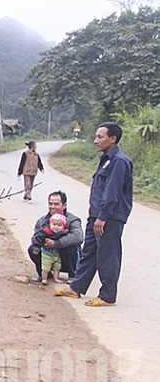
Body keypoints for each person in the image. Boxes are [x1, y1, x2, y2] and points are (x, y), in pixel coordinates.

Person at [56, 122, 133, 307]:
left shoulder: (119, 161)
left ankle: (107, 296)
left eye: (100, 137)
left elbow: (112, 192)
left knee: (108, 255)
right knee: (89, 252)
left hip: (109, 217)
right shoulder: (106, 159)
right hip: (96, 215)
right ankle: (76, 287)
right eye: (96, 136)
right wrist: (96, 216)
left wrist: (103, 217)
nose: (95, 140)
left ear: (112, 139)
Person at [28, 191, 83, 283]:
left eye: (56, 204)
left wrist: (56, 243)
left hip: (66, 258)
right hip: (48, 255)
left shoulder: (72, 220)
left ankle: (73, 275)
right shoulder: (42, 221)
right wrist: (44, 242)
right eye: (50, 204)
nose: (52, 207)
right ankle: (44, 273)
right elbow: (35, 237)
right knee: (33, 248)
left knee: (71, 248)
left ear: (64, 205)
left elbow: (78, 237)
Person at [31, 212, 69, 285]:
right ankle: (44, 278)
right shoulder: (46, 231)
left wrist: (56, 243)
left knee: (57, 267)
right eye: (54, 224)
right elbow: (38, 237)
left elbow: (75, 237)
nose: (56, 227)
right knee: (46, 267)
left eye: (59, 225)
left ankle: (56, 278)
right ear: (50, 224)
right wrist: (36, 247)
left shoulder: (64, 232)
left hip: (57, 254)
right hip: (47, 254)